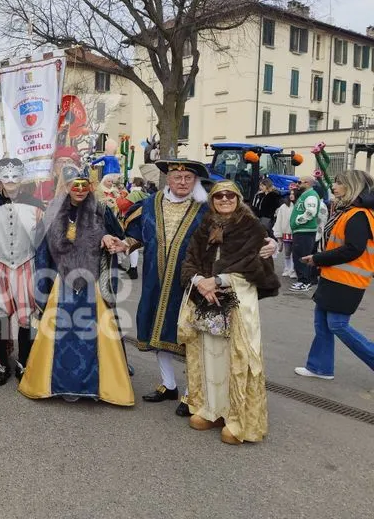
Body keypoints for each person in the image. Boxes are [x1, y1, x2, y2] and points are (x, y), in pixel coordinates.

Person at [19, 165, 134, 405]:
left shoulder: (101, 210)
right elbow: (41, 250)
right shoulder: (52, 210)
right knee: (61, 334)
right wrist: (43, 282)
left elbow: (119, 238)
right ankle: (59, 384)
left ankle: (100, 386)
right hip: (62, 284)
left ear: (90, 186)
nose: (79, 190)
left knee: (95, 333)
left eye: (84, 184)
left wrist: (111, 242)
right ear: (65, 186)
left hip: (92, 282)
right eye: (74, 184)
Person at [107, 160, 212, 415]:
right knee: (157, 329)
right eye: (178, 177)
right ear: (168, 179)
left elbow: (238, 228)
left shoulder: (207, 207)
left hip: (192, 282)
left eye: (188, 177)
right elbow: (137, 234)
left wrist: (263, 241)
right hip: (155, 278)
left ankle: (192, 393)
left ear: (196, 180)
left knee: (190, 335)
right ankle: (169, 384)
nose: (183, 182)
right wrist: (125, 245)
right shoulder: (150, 204)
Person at [179, 181, 279, 444]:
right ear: (212, 200)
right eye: (219, 196)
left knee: (237, 358)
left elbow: (255, 264)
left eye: (230, 195)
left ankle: (238, 419)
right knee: (209, 356)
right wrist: (200, 281)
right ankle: (211, 410)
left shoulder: (252, 226)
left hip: (237, 300)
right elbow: (190, 259)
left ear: (238, 198)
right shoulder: (205, 226)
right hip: (206, 300)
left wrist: (220, 280)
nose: (225, 199)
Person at [295, 170, 374, 379]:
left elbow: (353, 249)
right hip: (334, 277)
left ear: (352, 186)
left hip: (347, 280)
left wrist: (318, 259)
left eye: (338, 183)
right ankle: (319, 367)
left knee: (337, 325)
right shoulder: (349, 211)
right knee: (321, 322)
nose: (333, 186)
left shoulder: (359, 215)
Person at [0, 157, 45, 385]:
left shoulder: (35, 205)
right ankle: (4, 364)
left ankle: (23, 363)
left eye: (15, 176)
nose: (11, 181)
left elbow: (44, 242)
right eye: (6, 176)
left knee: (26, 319)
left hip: (27, 266)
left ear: (22, 178)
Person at [290, 176, 321, 292]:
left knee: (301, 256)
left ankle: (304, 281)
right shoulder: (307, 195)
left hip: (304, 231)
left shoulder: (311, 195)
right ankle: (309, 280)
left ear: (307, 183)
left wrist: (298, 220)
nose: (297, 184)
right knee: (304, 255)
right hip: (303, 231)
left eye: (299, 182)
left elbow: (311, 212)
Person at [272, 190, 296, 278]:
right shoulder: (284, 206)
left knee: (295, 252)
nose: (291, 195)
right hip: (286, 232)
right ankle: (287, 268)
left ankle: (293, 270)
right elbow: (279, 220)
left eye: (294, 194)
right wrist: (278, 235)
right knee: (287, 252)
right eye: (291, 194)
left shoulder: (299, 205)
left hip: (295, 232)